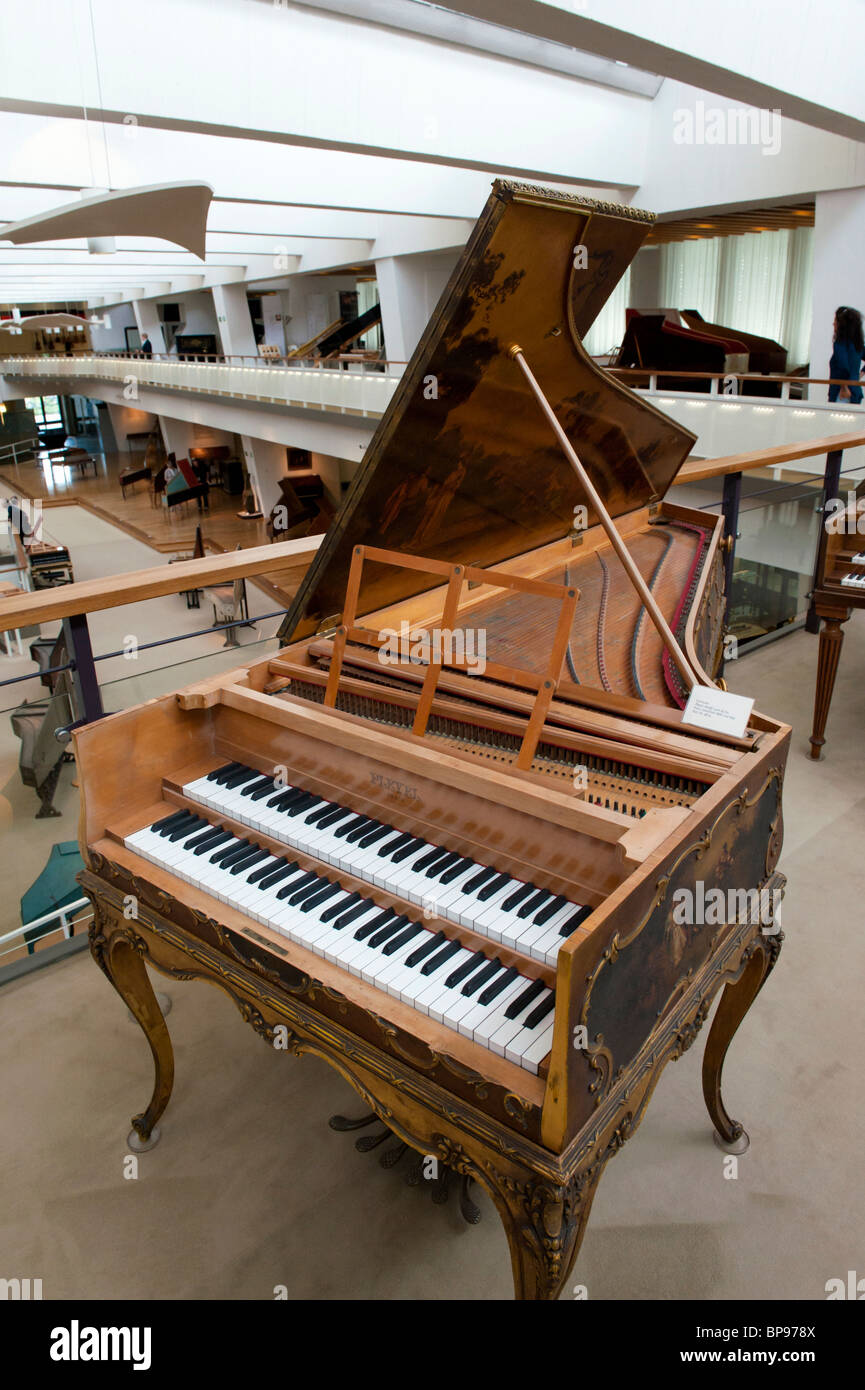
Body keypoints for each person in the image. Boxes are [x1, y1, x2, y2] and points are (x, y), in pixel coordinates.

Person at [828, 306, 864, 403]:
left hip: (841, 393)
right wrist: (857, 376)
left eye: (835, 320)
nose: (833, 323)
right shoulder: (857, 344)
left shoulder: (839, 344)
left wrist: (844, 387)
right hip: (855, 392)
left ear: (842, 324)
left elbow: (843, 367)